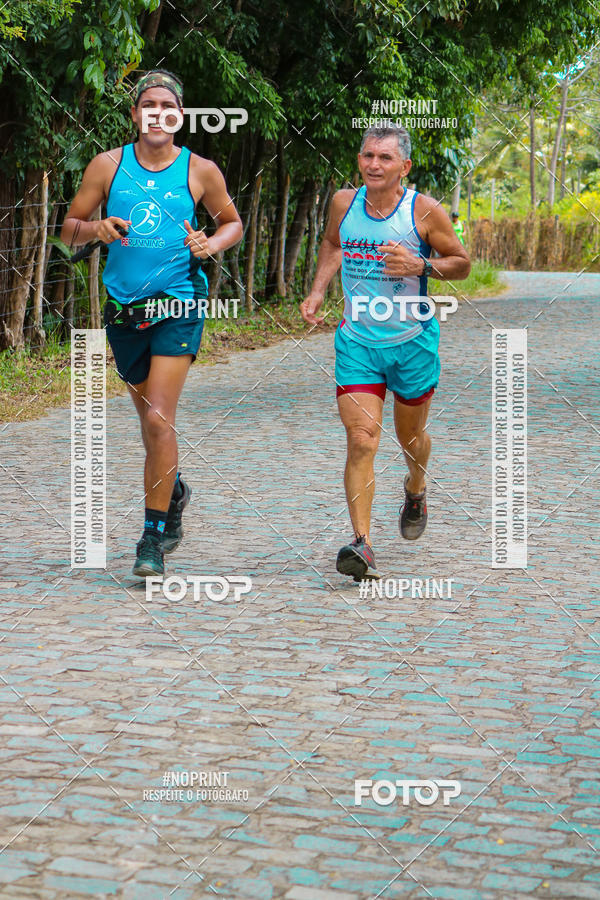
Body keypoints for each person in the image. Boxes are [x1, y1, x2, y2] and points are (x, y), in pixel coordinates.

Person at [61, 69, 243, 577]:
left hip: (178, 302)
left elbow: (232, 222)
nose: (157, 113)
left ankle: (152, 536)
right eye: (148, 105)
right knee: (149, 423)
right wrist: (95, 227)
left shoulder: (200, 170)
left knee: (160, 419)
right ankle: (175, 488)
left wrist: (212, 243)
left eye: (168, 105)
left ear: (179, 116)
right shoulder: (107, 165)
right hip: (123, 309)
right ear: (136, 115)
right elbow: (68, 229)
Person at [301, 124, 470, 581]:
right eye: (367, 156)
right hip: (357, 342)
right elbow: (333, 244)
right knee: (361, 439)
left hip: (412, 342)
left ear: (404, 167)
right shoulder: (344, 202)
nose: (374, 164)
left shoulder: (424, 211)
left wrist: (422, 264)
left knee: (410, 438)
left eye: (385, 158)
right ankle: (362, 544)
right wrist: (317, 292)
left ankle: (416, 487)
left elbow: (462, 263)